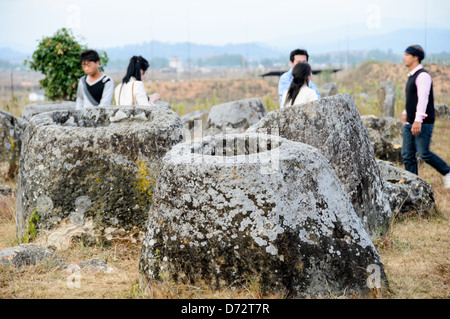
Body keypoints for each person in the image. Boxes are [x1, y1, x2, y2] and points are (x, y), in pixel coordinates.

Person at [401, 44, 450, 188]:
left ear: (415, 57)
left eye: (407, 55)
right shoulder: (411, 75)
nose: (404, 57)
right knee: (407, 155)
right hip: (410, 122)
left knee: (423, 153)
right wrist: (405, 113)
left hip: (423, 122)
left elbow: (423, 98)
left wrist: (418, 120)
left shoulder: (423, 76)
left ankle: (447, 172)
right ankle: (412, 185)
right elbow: (411, 99)